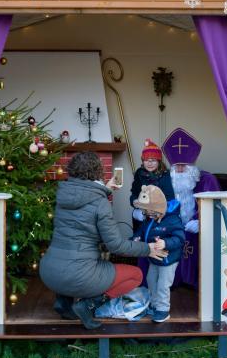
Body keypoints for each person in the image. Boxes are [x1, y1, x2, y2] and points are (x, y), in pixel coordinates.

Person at [39, 151, 168, 329]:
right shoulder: (100, 203)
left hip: (49, 272)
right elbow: (115, 246)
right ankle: (87, 305)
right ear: (97, 172)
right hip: (79, 276)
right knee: (135, 275)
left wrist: (105, 190)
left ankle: (63, 301)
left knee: (71, 260)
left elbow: (84, 202)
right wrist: (148, 248)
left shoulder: (63, 197)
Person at [161, 128, 221, 288]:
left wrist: (201, 221)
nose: (180, 170)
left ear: (192, 165)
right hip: (173, 226)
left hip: (197, 229)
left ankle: (195, 282)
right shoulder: (166, 181)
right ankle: (172, 282)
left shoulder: (207, 179)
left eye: (183, 166)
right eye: (176, 166)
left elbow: (215, 206)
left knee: (194, 238)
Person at [132, 185, 185, 322]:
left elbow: (180, 238)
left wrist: (166, 243)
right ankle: (155, 305)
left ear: (159, 208)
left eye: (151, 212)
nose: (149, 215)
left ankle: (163, 309)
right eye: (147, 212)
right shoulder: (150, 219)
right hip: (154, 259)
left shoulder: (172, 220)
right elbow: (142, 232)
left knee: (163, 285)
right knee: (151, 281)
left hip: (168, 260)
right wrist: (135, 239)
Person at [130, 139, 175, 224]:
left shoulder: (165, 174)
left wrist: (157, 210)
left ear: (159, 161)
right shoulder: (139, 173)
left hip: (160, 213)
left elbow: (170, 197)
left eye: (153, 160)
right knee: (136, 215)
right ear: (143, 161)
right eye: (147, 160)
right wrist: (135, 202)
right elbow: (134, 194)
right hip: (143, 211)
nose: (150, 163)